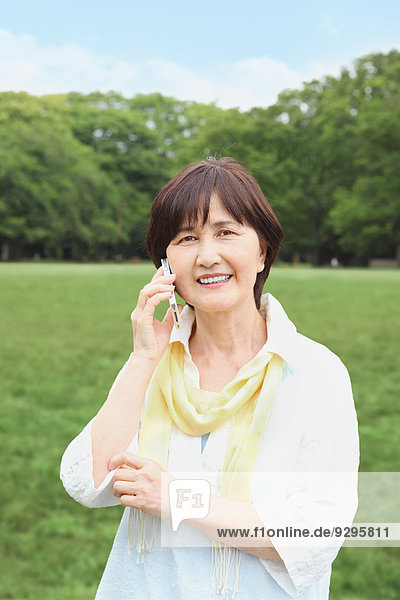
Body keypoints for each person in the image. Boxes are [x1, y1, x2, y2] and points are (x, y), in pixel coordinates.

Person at [60, 157, 359, 600]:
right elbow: (87, 479)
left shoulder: (315, 372)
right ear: (165, 266)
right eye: (186, 238)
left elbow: (316, 536)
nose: (206, 256)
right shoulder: (155, 363)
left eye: (225, 232)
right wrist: (143, 358)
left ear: (262, 251)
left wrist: (179, 499)